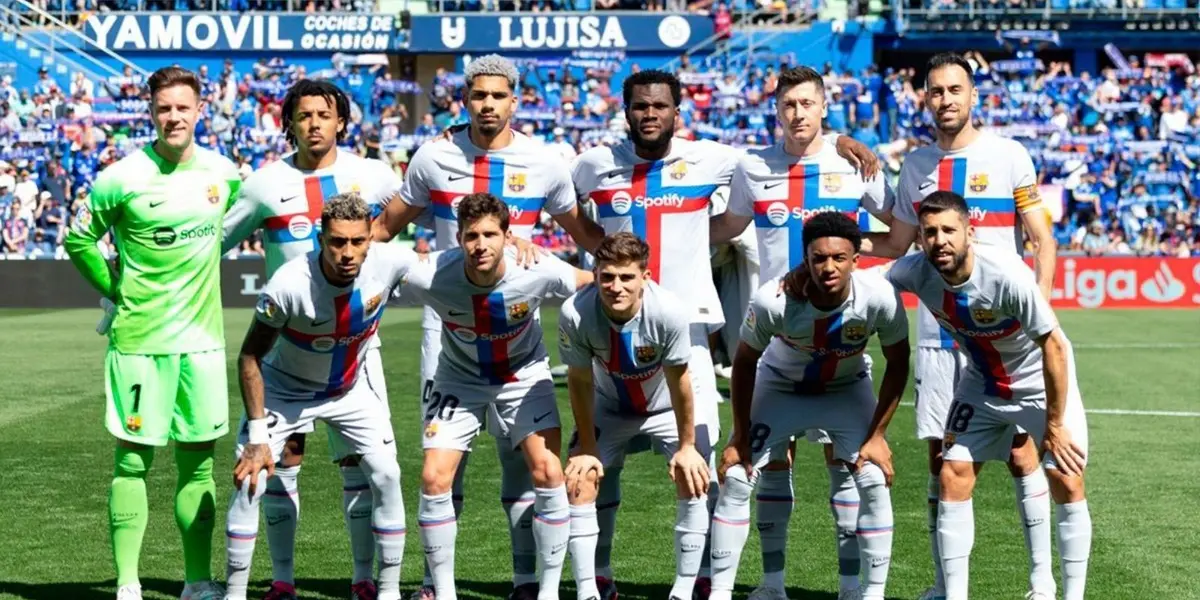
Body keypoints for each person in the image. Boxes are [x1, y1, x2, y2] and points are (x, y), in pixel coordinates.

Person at [570, 69, 879, 599]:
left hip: (685, 330)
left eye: (660, 105)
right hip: (614, 329)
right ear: (626, 111)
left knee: (708, 467)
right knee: (598, 460)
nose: (650, 113)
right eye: (640, 105)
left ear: (677, 111)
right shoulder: (594, 163)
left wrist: (839, 141)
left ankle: (704, 579)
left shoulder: (718, 159)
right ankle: (594, 576)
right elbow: (564, 203)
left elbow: (792, 150)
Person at [374, 53, 605, 600]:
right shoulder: (434, 156)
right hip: (448, 331)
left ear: (515, 101)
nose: (487, 105)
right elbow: (385, 226)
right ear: (465, 99)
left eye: (497, 96)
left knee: (524, 463)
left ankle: (530, 582)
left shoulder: (545, 162)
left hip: (516, 330)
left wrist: (633, 274)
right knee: (441, 467)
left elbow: (584, 236)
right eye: (478, 96)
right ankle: (436, 584)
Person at [865, 53, 1059, 600]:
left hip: (1005, 337)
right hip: (938, 336)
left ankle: (1041, 581)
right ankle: (946, 584)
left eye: (955, 90)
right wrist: (843, 238)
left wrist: (1036, 309)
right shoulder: (917, 167)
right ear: (924, 98)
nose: (945, 99)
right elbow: (899, 245)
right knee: (943, 460)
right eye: (935, 91)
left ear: (973, 96)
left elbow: (1041, 239)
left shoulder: (1008, 155)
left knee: (1023, 451)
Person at [221, 78, 419, 600]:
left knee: (363, 465)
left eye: (324, 115)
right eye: (303, 115)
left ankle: (365, 581)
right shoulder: (264, 185)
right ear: (288, 123)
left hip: (357, 350)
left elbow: (406, 218)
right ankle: (280, 581)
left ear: (341, 122)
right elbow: (216, 243)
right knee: (279, 463)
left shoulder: (372, 175)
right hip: (287, 346)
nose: (314, 124)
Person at [708, 65, 894, 599]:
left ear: (823, 107)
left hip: (843, 346)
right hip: (777, 343)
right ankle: (770, 585)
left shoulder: (856, 164)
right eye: (788, 105)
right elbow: (728, 227)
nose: (796, 114)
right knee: (763, 468)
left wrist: (857, 257)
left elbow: (898, 233)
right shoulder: (752, 167)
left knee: (847, 469)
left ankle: (854, 589)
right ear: (777, 110)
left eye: (806, 104)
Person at [63, 66, 241, 600]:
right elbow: (79, 241)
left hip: (203, 344)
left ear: (200, 110)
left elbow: (243, 221)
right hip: (140, 344)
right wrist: (116, 290)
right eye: (164, 108)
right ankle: (127, 585)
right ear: (151, 112)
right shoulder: (120, 177)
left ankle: (196, 582)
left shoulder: (224, 174)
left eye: (183, 107)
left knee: (199, 464)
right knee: (132, 462)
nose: (173, 117)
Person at [883, 191, 1090, 600]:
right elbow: (867, 282)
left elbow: (1055, 347)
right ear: (920, 240)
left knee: (1066, 476)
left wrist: (1053, 424)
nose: (939, 240)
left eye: (948, 230)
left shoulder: (1006, 275)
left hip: (1035, 383)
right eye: (930, 232)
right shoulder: (914, 271)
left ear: (969, 233)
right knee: (951, 473)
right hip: (981, 383)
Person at [401, 192, 594, 600]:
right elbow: (373, 270)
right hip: (458, 378)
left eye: (491, 234)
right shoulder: (430, 273)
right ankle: (445, 592)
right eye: (472, 235)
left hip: (523, 375)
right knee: (434, 477)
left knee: (547, 471)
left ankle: (546, 592)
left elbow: (592, 285)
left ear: (509, 235)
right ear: (458, 237)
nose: (480, 245)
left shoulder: (536, 266)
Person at [709, 212, 910, 600]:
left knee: (871, 477)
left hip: (845, 388)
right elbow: (746, 362)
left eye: (838, 258)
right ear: (806, 257)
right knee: (736, 476)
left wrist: (879, 435)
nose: (828, 267)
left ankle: (865, 593)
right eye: (819, 258)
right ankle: (742, 590)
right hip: (781, 386)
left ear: (856, 259)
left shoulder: (879, 298)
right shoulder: (774, 298)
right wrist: (740, 435)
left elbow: (898, 362)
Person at [557, 233, 713, 600]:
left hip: (665, 408)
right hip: (611, 407)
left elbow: (681, 384)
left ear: (645, 276)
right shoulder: (575, 312)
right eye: (607, 276)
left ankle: (686, 588)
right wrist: (588, 449)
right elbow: (579, 383)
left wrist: (688, 445)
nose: (615, 286)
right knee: (580, 480)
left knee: (695, 476)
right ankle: (591, 588)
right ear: (594, 274)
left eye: (626, 277)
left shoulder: (669, 311)